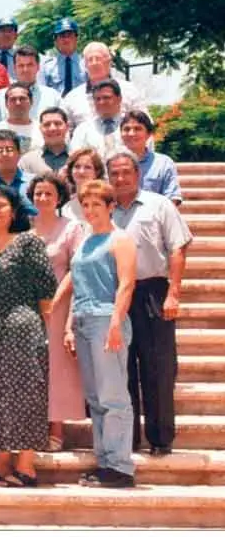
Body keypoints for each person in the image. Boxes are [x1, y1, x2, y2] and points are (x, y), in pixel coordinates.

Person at [51, 179, 137, 488]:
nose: (90, 211)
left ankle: (120, 467)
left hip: (106, 321)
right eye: (85, 205)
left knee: (113, 397)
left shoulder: (120, 239)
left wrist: (116, 322)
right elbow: (76, 279)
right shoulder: (86, 240)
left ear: (111, 207)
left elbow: (127, 283)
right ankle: (105, 463)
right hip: (84, 322)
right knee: (96, 398)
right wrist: (61, 314)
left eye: (96, 205)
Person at [0, 185, 57, 487]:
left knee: (27, 392)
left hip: (23, 324)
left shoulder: (27, 242)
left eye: (1, 205)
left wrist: (43, 324)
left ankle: (26, 466)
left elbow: (47, 286)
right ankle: (1, 462)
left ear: (14, 211)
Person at [108, 151, 192, 457]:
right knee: (122, 370)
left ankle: (160, 438)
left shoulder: (159, 205)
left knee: (158, 367)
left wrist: (174, 292)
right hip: (117, 295)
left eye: (126, 172)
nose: (120, 178)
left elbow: (178, 247)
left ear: (138, 174)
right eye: (114, 173)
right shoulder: (106, 211)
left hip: (154, 292)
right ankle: (127, 440)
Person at [28, 173, 86, 452]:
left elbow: (77, 268)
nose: (42, 198)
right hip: (28, 306)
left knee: (57, 368)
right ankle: (33, 426)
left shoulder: (72, 228)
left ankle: (57, 429)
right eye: (38, 193)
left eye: (48, 193)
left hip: (60, 306)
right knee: (31, 367)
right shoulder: (25, 228)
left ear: (59, 197)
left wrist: (56, 300)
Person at [63, 42, 149, 128]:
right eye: (90, 60)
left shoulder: (129, 90)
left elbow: (146, 125)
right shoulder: (72, 98)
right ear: (85, 65)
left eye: (98, 58)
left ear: (109, 61)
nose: (94, 63)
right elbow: (66, 133)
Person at [0, 45, 63, 128]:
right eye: (21, 65)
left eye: (30, 65)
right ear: (14, 68)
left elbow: (63, 129)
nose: (25, 70)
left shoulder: (53, 97)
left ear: (38, 67)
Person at [120, 111, 182, 204]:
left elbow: (172, 198)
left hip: (155, 217)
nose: (131, 133)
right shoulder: (111, 163)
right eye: (127, 129)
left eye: (137, 129)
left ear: (149, 134)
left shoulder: (163, 164)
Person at [69, 79, 128, 158]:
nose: (101, 102)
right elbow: (75, 157)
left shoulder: (131, 126)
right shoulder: (83, 130)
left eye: (106, 97)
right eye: (97, 99)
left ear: (119, 98)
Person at [0, 82, 44, 153]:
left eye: (22, 98)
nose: (18, 103)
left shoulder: (43, 130)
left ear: (31, 102)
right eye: (13, 99)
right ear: (6, 104)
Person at [39, 18, 86, 96]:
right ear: (55, 40)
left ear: (76, 38)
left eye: (69, 35)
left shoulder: (86, 64)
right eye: (62, 36)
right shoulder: (46, 67)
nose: (66, 39)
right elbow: (43, 93)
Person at [19, 107, 70, 175]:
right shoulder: (28, 161)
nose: (52, 128)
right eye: (47, 124)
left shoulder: (79, 159)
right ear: (40, 129)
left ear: (67, 127)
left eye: (57, 123)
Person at [61, 148, 105, 222]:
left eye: (88, 167)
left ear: (97, 172)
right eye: (77, 167)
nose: (81, 172)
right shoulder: (65, 208)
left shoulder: (106, 202)